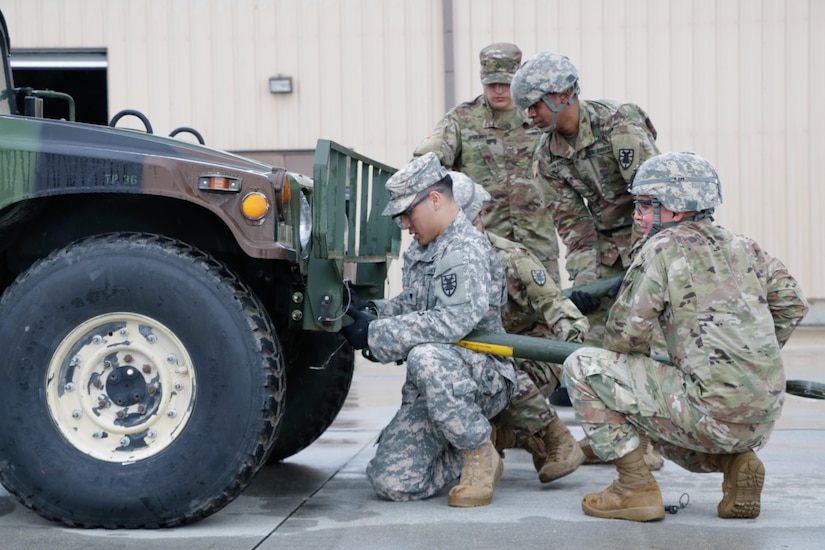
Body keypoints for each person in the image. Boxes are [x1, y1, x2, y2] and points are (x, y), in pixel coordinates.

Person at [562, 152, 809, 522]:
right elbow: (793, 303)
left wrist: (654, 354)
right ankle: (736, 462)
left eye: (646, 204)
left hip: (708, 412)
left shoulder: (661, 248)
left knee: (583, 367)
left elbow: (625, 337)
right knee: (660, 403)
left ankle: (634, 488)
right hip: (761, 417)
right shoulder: (745, 245)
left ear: (675, 209)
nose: (638, 215)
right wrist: (750, 354)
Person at [340, 152, 517, 508]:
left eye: (407, 212)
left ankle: (480, 453)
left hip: (480, 375)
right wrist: (374, 312)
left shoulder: (464, 249)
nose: (404, 223)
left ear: (435, 199)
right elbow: (415, 305)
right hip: (439, 385)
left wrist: (376, 335)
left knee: (426, 355)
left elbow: (451, 321)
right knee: (390, 482)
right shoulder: (426, 248)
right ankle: (462, 437)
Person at [509, 51, 661, 341]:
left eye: (534, 104)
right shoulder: (545, 158)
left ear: (564, 94)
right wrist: (584, 285)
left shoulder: (618, 123)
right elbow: (576, 230)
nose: (529, 115)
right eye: (524, 107)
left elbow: (654, 203)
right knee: (593, 338)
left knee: (653, 330)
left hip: (653, 239)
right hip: (607, 249)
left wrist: (642, 268)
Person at [451, 171, 589, 483]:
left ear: (483, 215)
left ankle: (557, 439)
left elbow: (559, 310)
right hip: (479, 357)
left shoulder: (512, 258)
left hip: (529, 359)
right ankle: (505, 442)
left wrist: (575, 360)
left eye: (469, 222)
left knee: (497, 367)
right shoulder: (439, 261)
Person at [413, 43, 560, 284]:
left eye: (505, 83)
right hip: (483, 247)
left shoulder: (539, 118)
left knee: (545, 314)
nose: (499, 90)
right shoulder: (462, 120)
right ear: (482, 80)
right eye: (492, 84)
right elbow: (425, 164)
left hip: (537, 246)